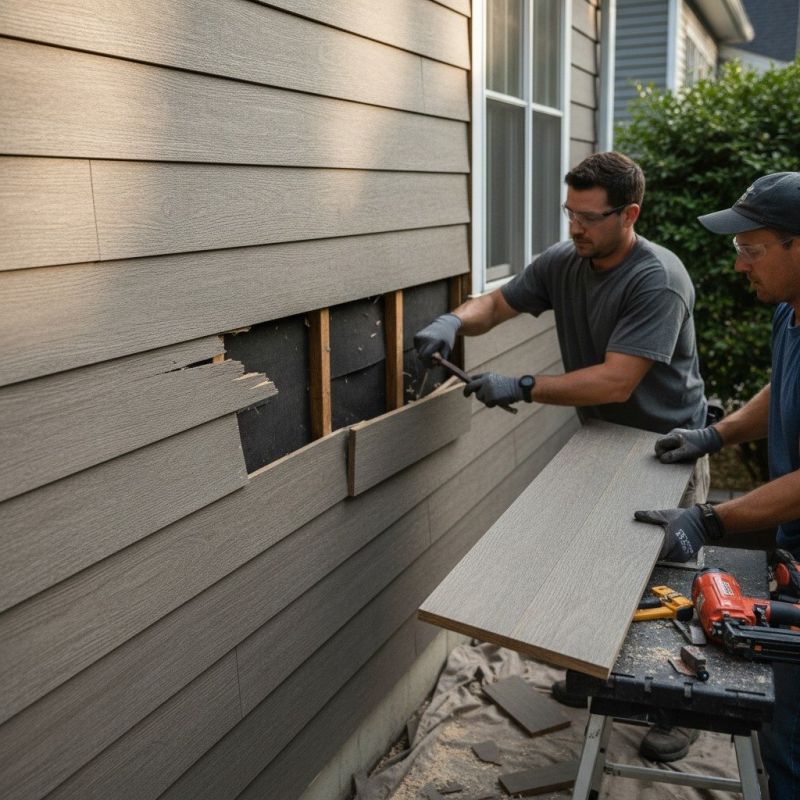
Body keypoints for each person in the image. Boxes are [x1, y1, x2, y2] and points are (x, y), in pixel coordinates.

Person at [415, 151, 709, 762]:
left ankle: (680, 709)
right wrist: (453, 320)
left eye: (589, 218)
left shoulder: (657, 278)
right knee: (597, 565)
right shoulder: (567, 260)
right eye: (568, 213)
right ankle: (594, 675)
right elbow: (498, 304)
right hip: (602, 440)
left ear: (629, 214)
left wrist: (522, 386)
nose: (574, 228)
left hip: (667, 451)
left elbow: (616, 382)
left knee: (668, 588)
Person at [635, 171, 800, 798]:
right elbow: (782, 391)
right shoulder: (791, 312)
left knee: (791, 736)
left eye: (751, 249)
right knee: (778, 717)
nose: (739, 267)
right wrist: (716, 435)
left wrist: (711, 519)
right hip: (793, 546)